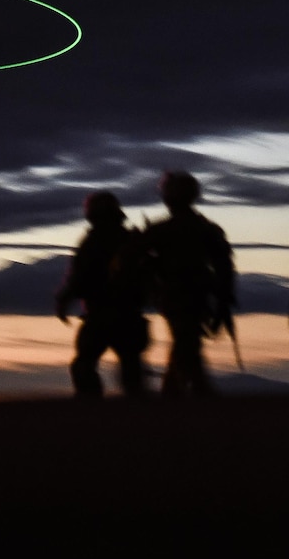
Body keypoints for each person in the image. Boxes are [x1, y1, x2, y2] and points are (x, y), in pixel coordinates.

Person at [144, 170, 237, 397]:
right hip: (195, 297)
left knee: (186, 347)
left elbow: (132, 263)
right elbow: (225, 269)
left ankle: (187, 397)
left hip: (178, 297)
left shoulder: (160, 231)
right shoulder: (207, 229)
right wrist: (223, 303)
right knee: (186, 346)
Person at [54, 191, 150, 400]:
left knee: (86, 365)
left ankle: (94, 410)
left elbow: (79, 277)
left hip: (103, 315)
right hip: (126, 315)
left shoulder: (95, 243)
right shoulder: (128, 241)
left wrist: (64, 299)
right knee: (129, 367)